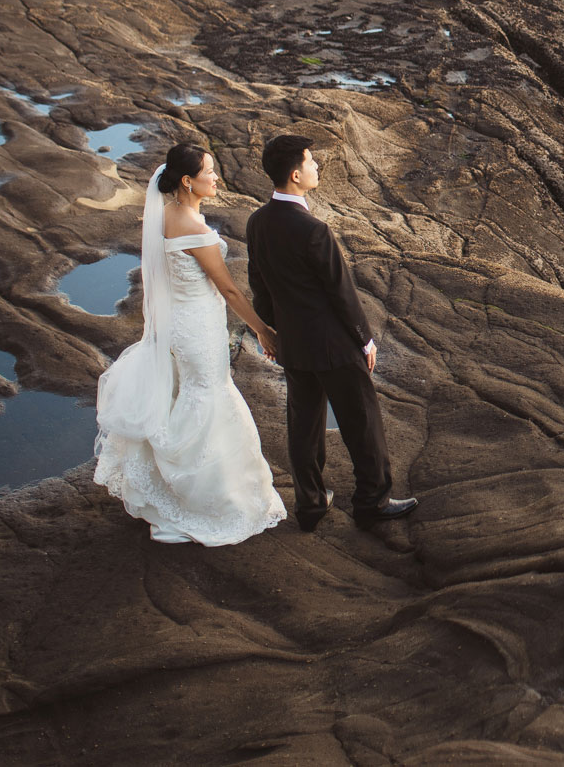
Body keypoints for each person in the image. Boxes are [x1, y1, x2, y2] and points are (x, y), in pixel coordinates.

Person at [94, 142, 287, 545]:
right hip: (199, 326)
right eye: (209, 172)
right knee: (208, 397)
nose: (216, 177)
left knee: (190, 394)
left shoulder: (164, 215)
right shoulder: (195, 230)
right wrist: (262, 330)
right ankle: (202, 501)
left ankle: (171, 492)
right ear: (187, 180)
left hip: (178, 326)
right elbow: (230, 291)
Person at [246, 133, 417, 531]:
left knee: (303, 425)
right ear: (294, 173)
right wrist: (365, 339)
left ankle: (310, 503)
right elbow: (342, 293)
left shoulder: (257, 222)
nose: (316, 167)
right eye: (310, 161)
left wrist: (274, 331)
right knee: (362, 423)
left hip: (293, 344)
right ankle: (372, 503)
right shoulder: (313, 230)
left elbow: (260, 286)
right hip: (334, 345)